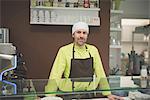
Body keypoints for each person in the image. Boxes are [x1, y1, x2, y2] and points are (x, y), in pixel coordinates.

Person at [45, 22, 123, 100]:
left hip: (88, 94)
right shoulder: (64, 51)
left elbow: (100, 73)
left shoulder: (93, 50)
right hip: (69, 94)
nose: (81, 36)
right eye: (78, 32)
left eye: (84, 33)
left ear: (87, 35)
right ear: (73, 34)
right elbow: (55, 74)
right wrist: (49, 96)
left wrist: (108, 93)